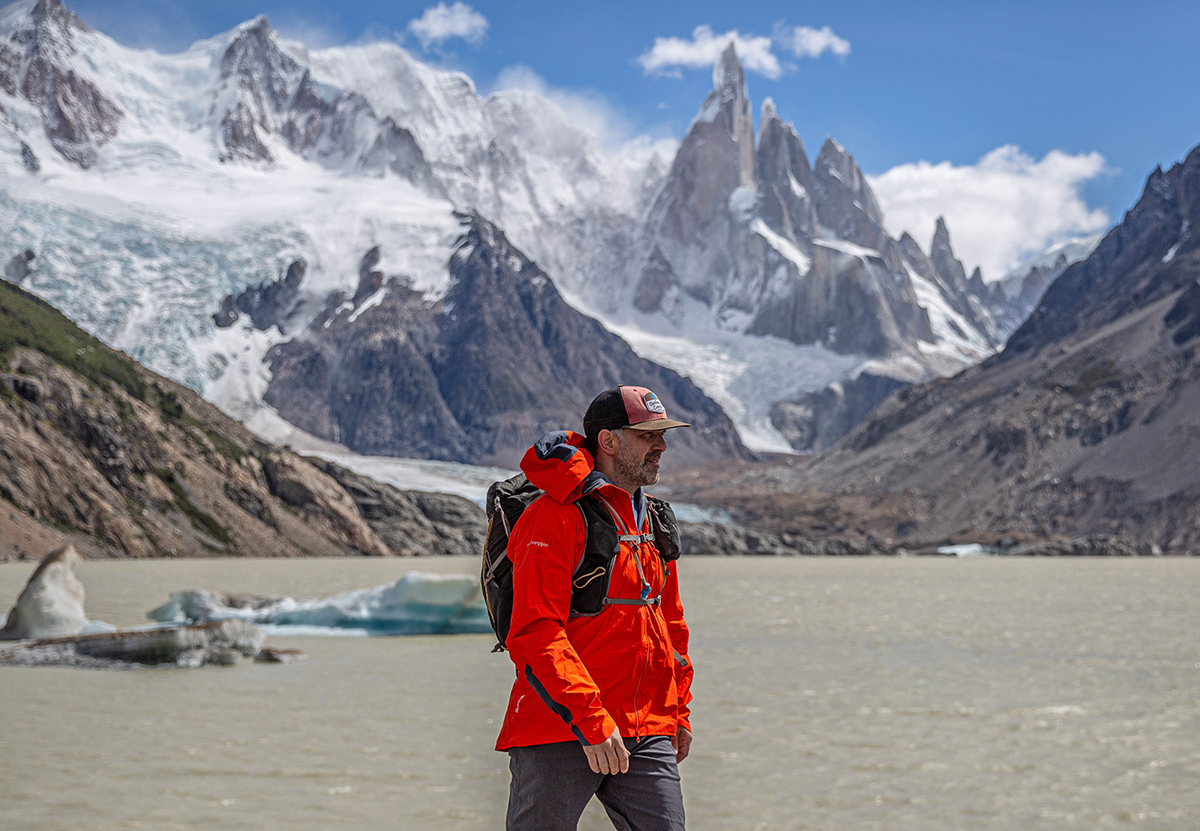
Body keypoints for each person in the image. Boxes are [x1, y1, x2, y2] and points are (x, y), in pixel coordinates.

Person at [496, 385, 695, 831]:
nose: (661, 445)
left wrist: (677, 711)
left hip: (647, 730)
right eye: (648, 435)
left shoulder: (654, 520)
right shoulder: (553, 517)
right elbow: (535, 632)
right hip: (559, 727)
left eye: (663, 434)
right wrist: (591, 720)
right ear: (608, 441)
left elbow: (671, 626)